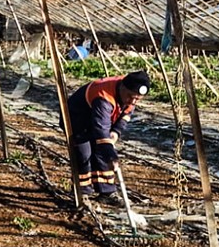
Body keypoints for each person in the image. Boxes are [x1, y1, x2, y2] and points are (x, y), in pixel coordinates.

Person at [61, 70, 151, 205]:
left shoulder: (130, 88)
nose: (133, 101)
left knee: (101, 152)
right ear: (122, 88)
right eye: (131, 97)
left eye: (137, 99)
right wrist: (111, 156)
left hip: (99, 120)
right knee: (84, 154)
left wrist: (116, 131)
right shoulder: (103, 97)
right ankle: (82, 193)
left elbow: (126, 114)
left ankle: (107, 192)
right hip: (76, 119)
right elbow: (101, 130)